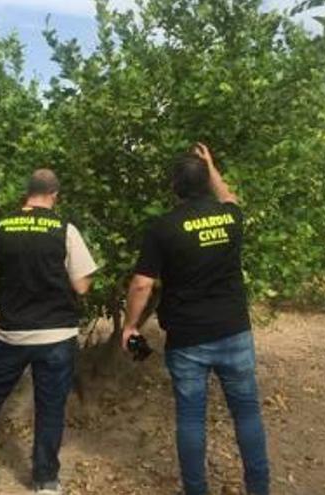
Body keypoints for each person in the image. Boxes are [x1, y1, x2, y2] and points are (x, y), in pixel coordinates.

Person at [121, 144, 270, 495]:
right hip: (234, 331)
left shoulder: (163, 227)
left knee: (191, 418)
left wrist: (129, 325)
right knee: (246, 414)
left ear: (175, 186)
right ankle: (259, 489)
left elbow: (142, 283)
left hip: (188, 339)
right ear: (206, 184)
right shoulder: (231, 217)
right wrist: (211, 166)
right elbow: (229, 196)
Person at [0, 169, 98, 494]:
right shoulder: (64, 229)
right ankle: (45, 480)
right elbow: (82, 286)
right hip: (56, 335)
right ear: (54, 195)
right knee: (50, 406)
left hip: (12, 334)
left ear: (27, 193)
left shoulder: (0, 228)